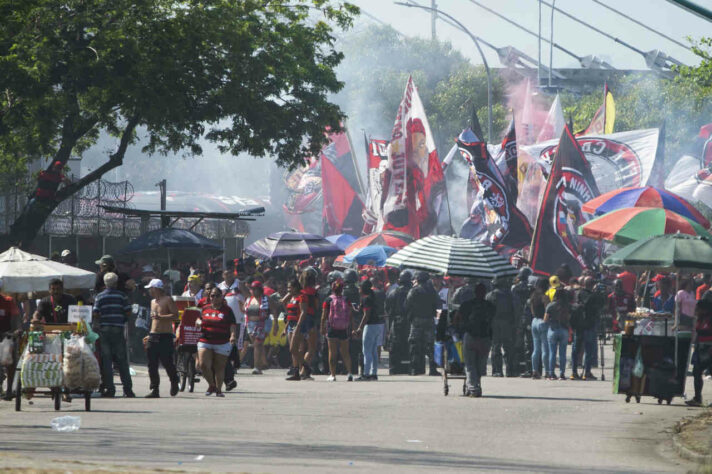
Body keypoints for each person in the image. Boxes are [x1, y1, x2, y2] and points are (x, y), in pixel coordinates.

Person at [92, 272, 134, 398]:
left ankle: (110, 389)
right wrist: (122, 320)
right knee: (122, 360)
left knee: (107, 361)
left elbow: (95, 313)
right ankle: (128, 390)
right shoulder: (122, 296)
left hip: (104, 330)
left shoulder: (99, 296)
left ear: (105, 283)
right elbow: (128, 311)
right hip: (118, 329)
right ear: (116, 283)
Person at [456, 283, 495, 397]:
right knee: (480, 364)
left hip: (470, 336)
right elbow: (493, 320)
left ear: (474, 293)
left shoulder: (466, 305)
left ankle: (473, 388)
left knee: (470, 364)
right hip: (485, 338)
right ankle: (476, 384)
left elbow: (457, 318)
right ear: (485, 293)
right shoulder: (490, 306)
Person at [197, 287, 238, 397]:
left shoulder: (227, 310)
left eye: (217, 295)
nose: (214, 298)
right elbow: (199, 318)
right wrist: (198, 322)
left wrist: (233, 335)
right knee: (203, 364)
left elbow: (232, 324)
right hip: (205, 339)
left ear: (221, 297)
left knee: (219, 367)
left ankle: (219, 389)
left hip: (222, 341)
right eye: (212, 296)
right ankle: (212, 385)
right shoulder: (204, 308)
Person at [144, 279, 180, 398]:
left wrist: (161, 317)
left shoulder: (167, 299)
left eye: (151, 288)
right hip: (153, 335)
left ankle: (174, 381)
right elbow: (154, 320)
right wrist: (149, 333)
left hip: (165, 335)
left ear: (156, 288)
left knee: (167, 362)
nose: (149, 290)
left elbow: (175, 315)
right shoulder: (153, 302)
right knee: (152, 364)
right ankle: (155, 389)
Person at [287, 270, 319, 380]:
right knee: (311, 348)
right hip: (310, 319)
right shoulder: (314, 292)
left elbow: (284, 301)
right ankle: (304, 369)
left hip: (298, 318)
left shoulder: (299, 293)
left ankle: (299, 369)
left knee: (299, 347)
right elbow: (316, 306)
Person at [406, 271, 438, 376]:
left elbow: (407, 305)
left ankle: (415, 369)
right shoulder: (432, 291)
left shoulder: (413, 291)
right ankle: (433, 369)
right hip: (429, 320)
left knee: (414, 345)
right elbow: (437, 304)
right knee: (430, 346)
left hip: (417, 321)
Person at [321, 280, 353, 381]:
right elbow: (350, 314)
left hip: (332, 328)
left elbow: (324, 316)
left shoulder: (328, 300)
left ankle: (333, 375)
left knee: (332, 351)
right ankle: (350, 373)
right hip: (343, 328)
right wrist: (352, 327)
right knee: (345, 352)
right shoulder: (346, 299)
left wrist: (322, 327)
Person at [353, 280, 384, 381]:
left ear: (363, 289)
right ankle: (373, 373)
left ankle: (366, 374)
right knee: (374, 350)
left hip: (370, 326)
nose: (358, 289)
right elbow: (362, 310)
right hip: (377, 325)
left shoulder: (366, 299)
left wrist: (359, 328)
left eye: (359, 287)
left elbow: (366, 315)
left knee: (366, 351)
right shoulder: (372, 297)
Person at [487, 275, 518, 377]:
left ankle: (497, 371)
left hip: (494, 323)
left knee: (496, 347)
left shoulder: (490, 295)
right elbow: (515, 310)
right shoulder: (510, 295)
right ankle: (511, 371)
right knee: (508, 347)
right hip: (507, 323)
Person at [245, 280, 276, 374]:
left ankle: (257, 367)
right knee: (257, 344)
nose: (254, 291)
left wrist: (276, 326)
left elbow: (274, 310)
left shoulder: (267, 299)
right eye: (252, 289)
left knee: (258, 344)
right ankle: (264, 363)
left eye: (256, 289)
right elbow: (245, 310)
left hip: (263, 323)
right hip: (251, 324)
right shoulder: (249, 299)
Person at [385, 271, 412, 375]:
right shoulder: (412, 291)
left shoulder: (393, 292)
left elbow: (387, 308)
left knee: (394, 345)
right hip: (409, 322)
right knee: (409, 345)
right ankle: (409, 368)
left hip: (396, 321)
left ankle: (394, 368)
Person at [686, 298, 712, 406]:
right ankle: (697, 398)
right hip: (700, 348)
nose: (696, 310)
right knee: (696, 371)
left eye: (698, 308)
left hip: (710, 348)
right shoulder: (700, 318)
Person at [0, 290, 21, 400]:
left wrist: (17, 330)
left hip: (6, 335)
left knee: (10, 362)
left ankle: (9, 390)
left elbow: (16, 317)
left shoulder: (8, 301)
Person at [512, 268, 533, 377]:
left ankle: (517, 368)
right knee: (529, 344)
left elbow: (513, 305)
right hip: (529, 318)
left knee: (517, 344)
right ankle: (529, 368)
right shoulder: (531, 289)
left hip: (517, 319)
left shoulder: (515, 288)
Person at [545, 289, 570, 380]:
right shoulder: (566, 305)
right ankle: (562, 374)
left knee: (552, 353)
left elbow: (545, 319)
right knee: (563, 353)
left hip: (553, 329)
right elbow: (568, 318)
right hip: (564, 330)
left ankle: (551, 374)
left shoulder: (551, 305)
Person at [282, 278, 305, 378]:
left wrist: (298, 326)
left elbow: (303, 312)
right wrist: (285, 328)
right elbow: (288, 312)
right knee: (293, 350)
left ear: (296, 287)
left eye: (290, 288)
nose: (288, 290)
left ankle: (305, 366)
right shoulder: (291, 298)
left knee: (294, 348)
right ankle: (296, 370)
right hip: (290, 324)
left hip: (297, 324)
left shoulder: (301, 297)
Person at [343, 269, 362, 376]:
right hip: (357, 321)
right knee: (357, 347)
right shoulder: (359, 291)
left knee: (346, 347)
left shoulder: (343, 292)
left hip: (345, 321)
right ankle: (355, 369)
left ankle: (346, 368)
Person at [530, 277, 550, 379]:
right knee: (545, 348)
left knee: (536, 349)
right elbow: (547, 311)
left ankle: (534, 370)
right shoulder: (545, 297)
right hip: (543, 322)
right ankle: (547, 371)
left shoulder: (533, 296)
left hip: (534, 321)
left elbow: (532, 311)